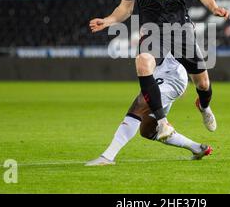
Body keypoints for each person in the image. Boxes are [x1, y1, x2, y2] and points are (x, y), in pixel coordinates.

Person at [90, 0, 229, 140]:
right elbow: (125, 8)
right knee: (143, 63)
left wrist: (213, 7)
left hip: (181, 30)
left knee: (203, 83)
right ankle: (163, 122)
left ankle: (204, 107)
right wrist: (108, 21)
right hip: (152, 32)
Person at [85, 52, 213, 166]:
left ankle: (107, 156)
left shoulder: (169, 29)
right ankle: (197, 148)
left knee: (140, 105)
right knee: (148, 130)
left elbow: (186, 50)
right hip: (161, 74)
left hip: (171, 75)